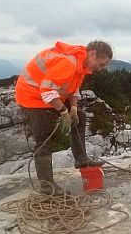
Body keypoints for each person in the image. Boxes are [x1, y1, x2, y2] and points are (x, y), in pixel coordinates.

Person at [15, 40, 113, 195]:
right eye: (101, 64)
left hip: (47, 94)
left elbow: (73, 89)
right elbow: (46, 91)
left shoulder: (82, 65)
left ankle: (81, 159)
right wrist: (62, 111)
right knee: (44, 136)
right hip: (31, 96)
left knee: (79, 117)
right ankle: (47, 186)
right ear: (93, 54)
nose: (100, 69)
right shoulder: (68, 62)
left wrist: (73, 108)